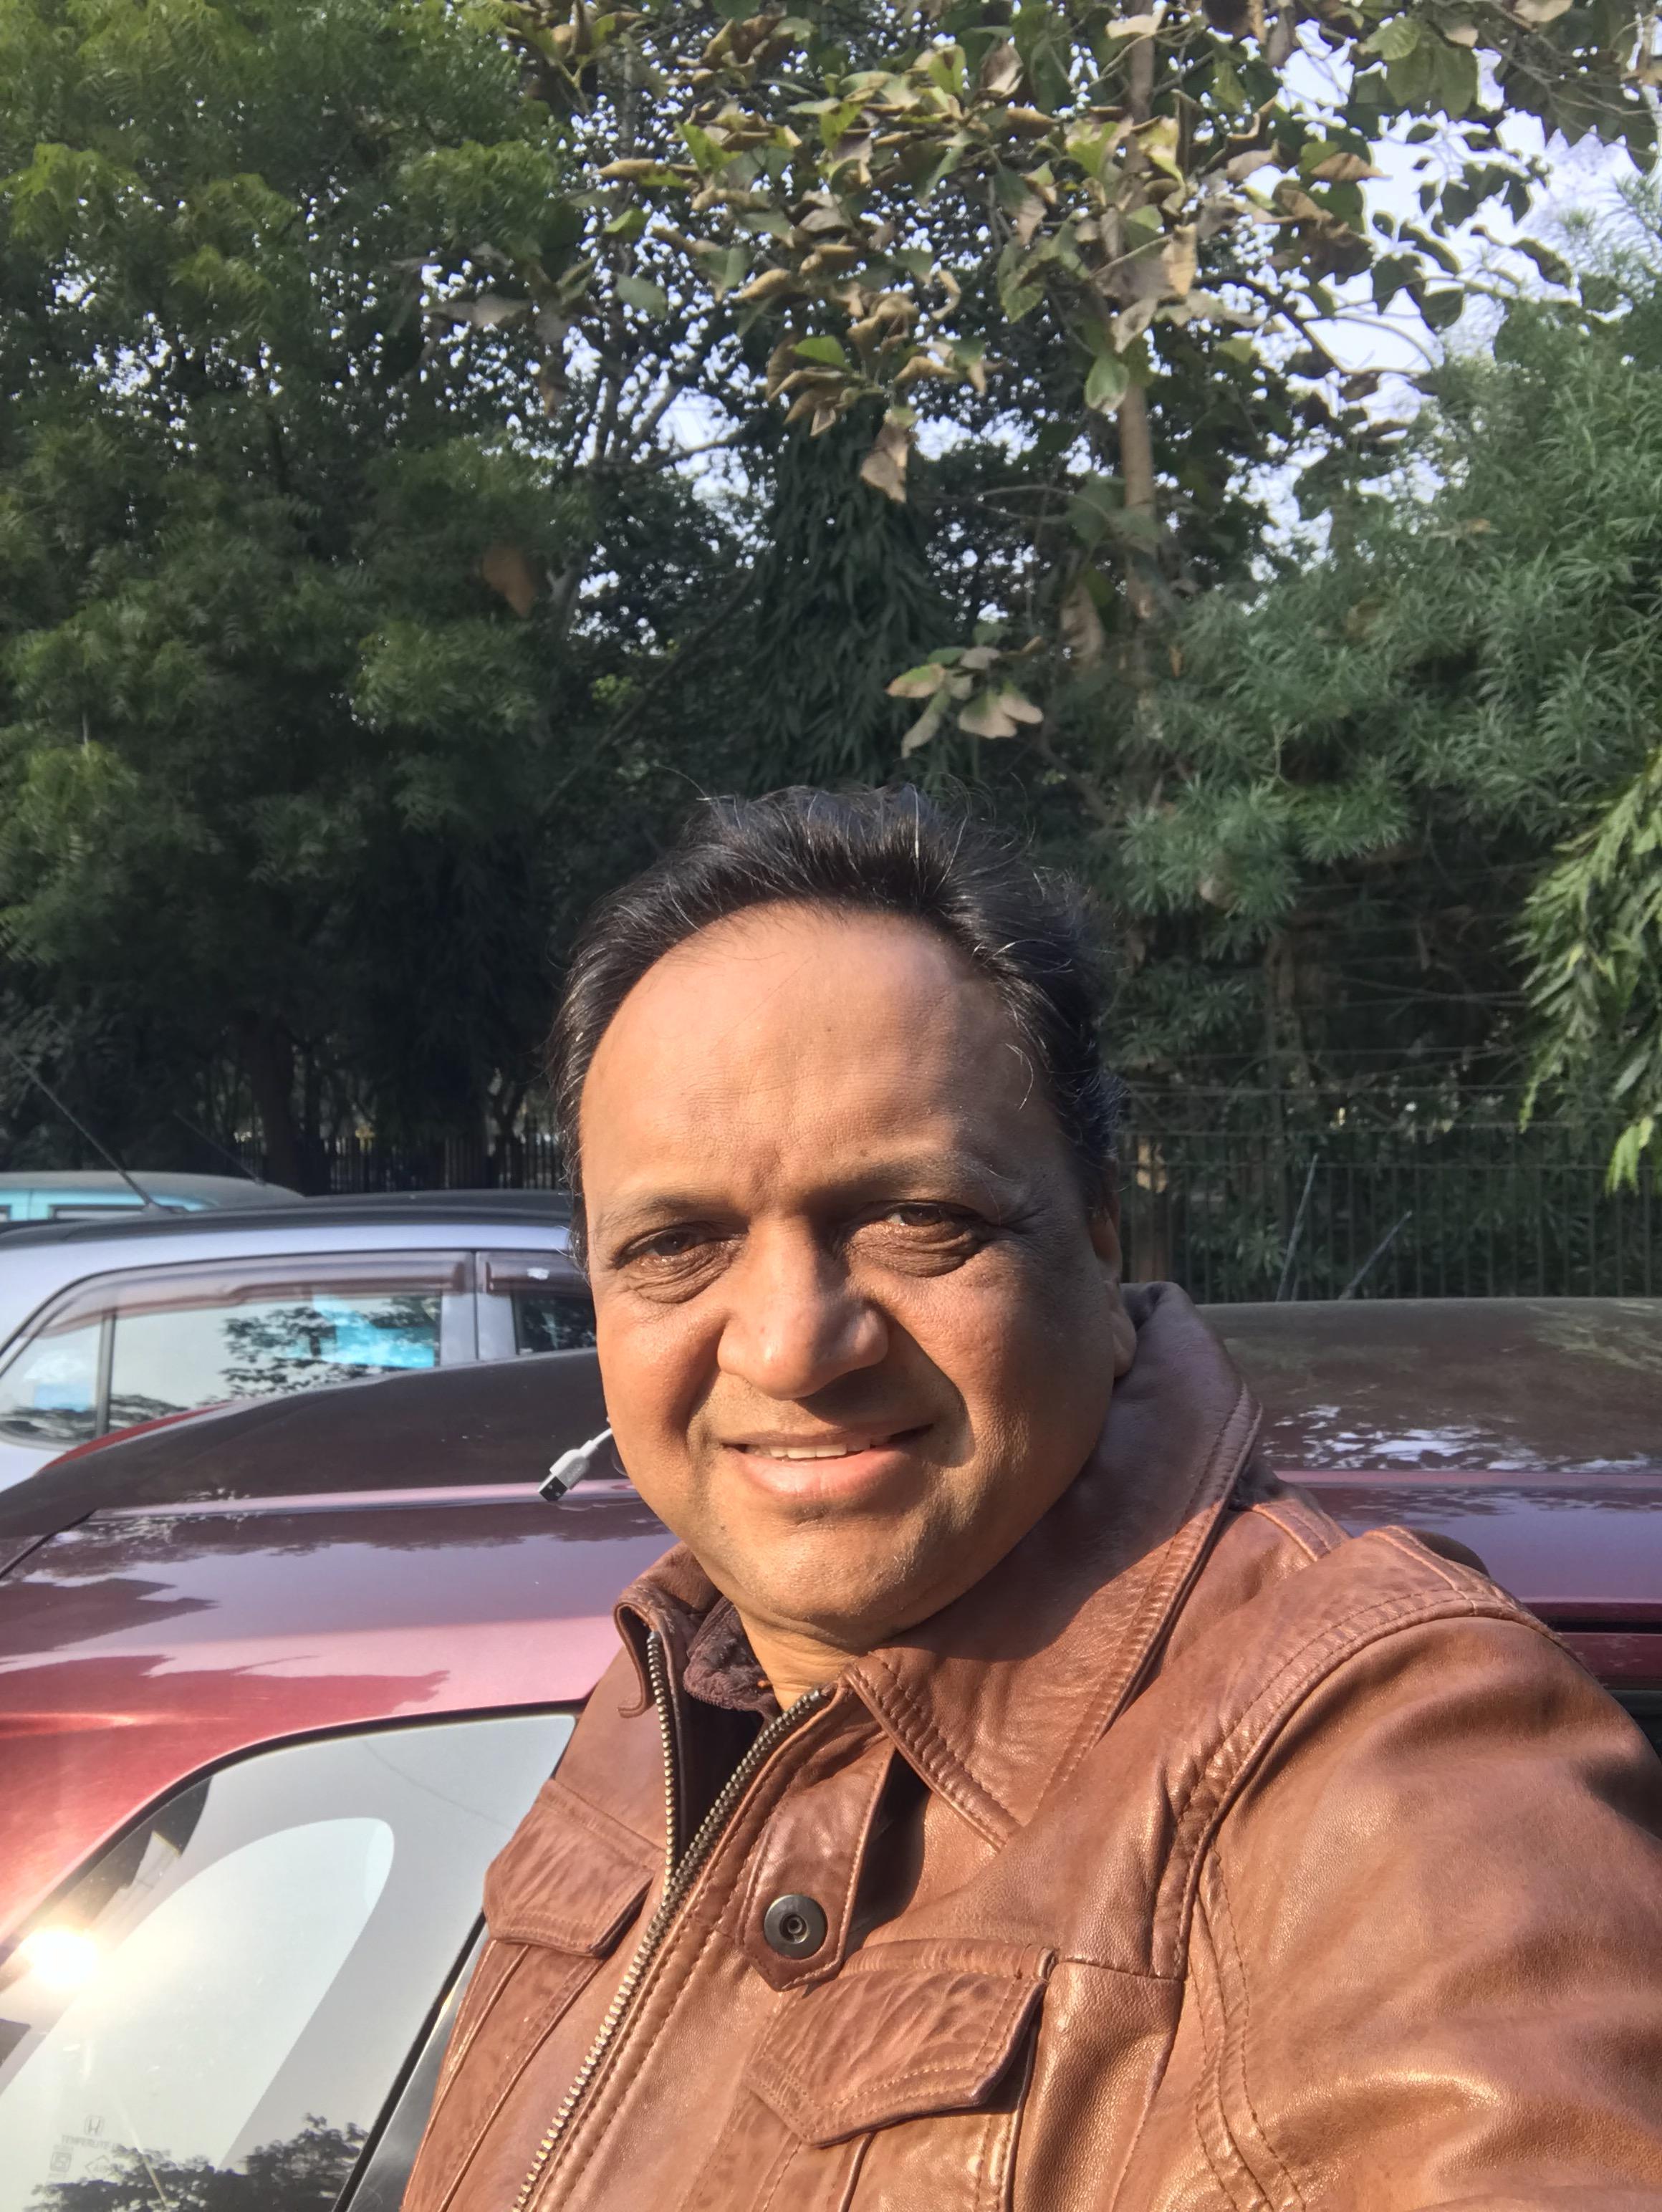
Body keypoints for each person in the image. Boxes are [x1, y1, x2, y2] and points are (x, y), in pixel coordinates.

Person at [404, 786, 1662, 2212]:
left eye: (916, 1219)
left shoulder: (1376, 1757)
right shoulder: (667, 1693)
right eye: (676, 1244)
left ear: (1099, 1235)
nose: (791, 1347)